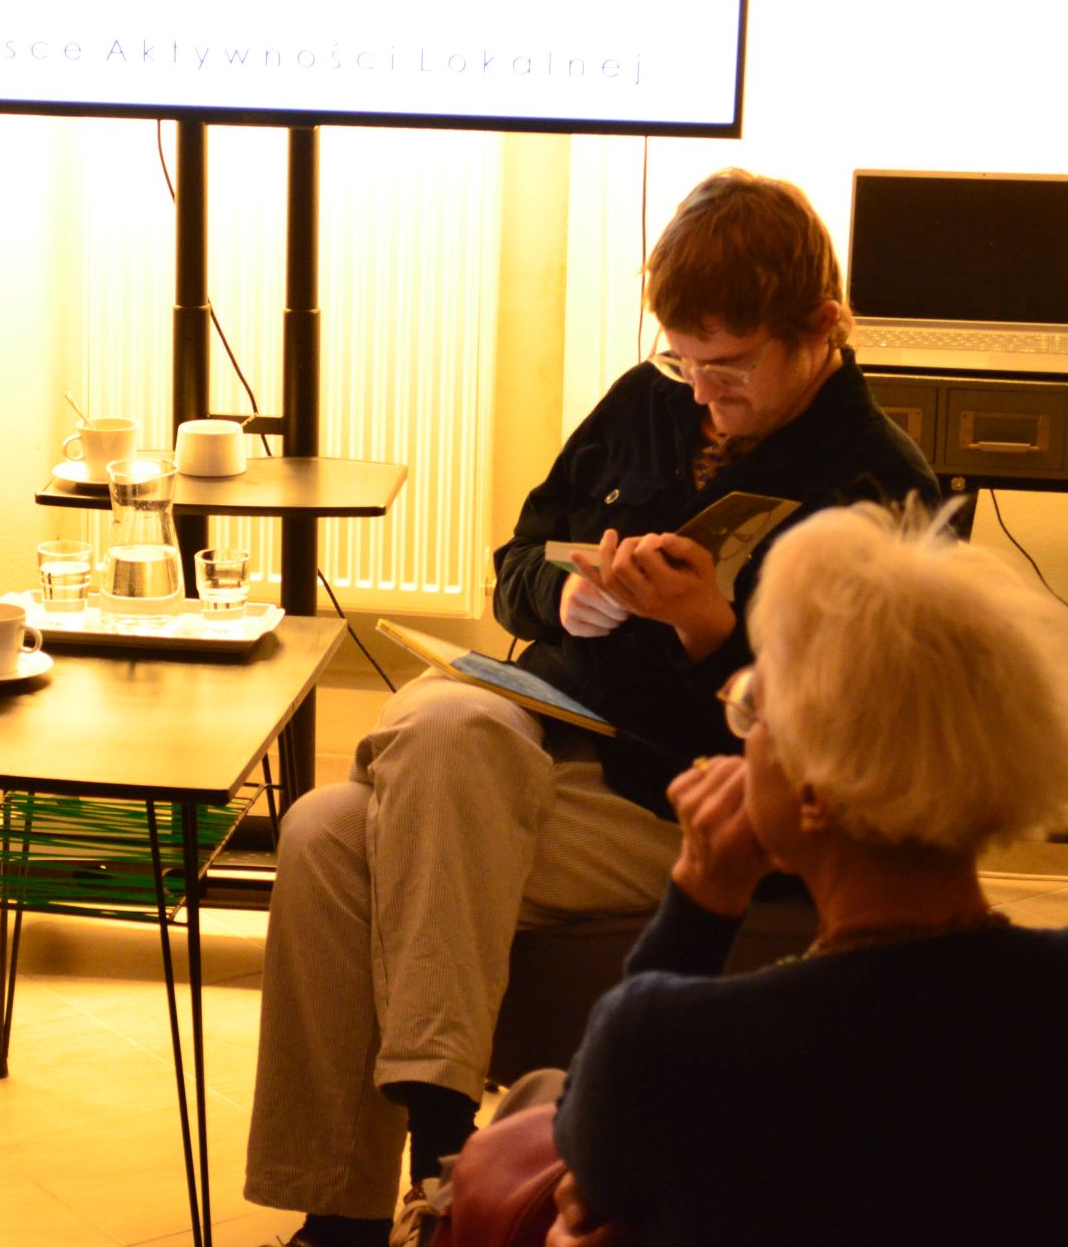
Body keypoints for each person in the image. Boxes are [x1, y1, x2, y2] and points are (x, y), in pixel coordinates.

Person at [245, 169, 938, 1247]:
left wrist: (714, 634)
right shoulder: (642, 403)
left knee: (341, 827)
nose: (700, 392)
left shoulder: (879, 486)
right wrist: (560, 596)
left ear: (820, 329)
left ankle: (417, 1185)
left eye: (728, 366)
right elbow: (515, 565)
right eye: (683, 359)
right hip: (544, 734)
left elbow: (862, 736)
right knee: (432, 748)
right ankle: (391, 1197)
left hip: (689, 798)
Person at [543, 500, 1068, 1246]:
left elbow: (588, 1154)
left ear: (814, 791)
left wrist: (700, 898)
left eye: (751, 709)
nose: (741, 738)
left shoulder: (672, 1042)